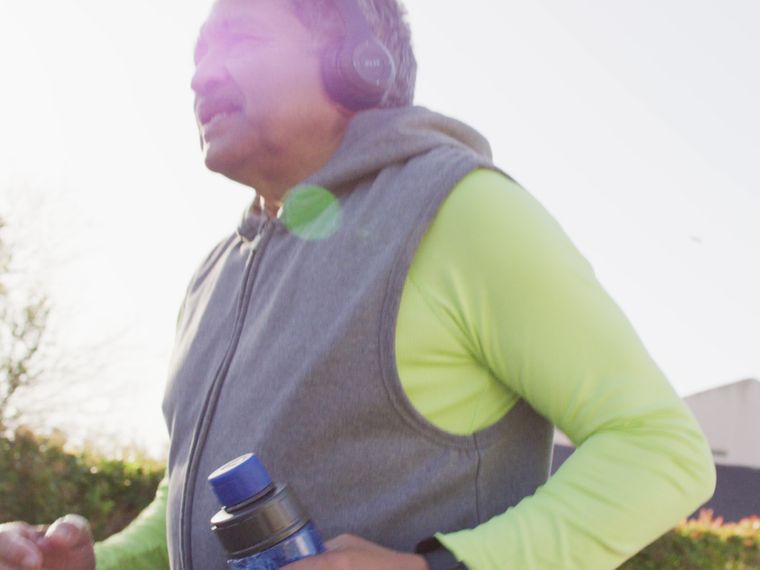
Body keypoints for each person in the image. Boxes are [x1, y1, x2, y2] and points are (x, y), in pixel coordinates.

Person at [0, 0, 716, 568]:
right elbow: (193, 493)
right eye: (196, 55)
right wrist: (107, 564)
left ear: (355, 63)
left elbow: (659, 447)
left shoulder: (462, 209)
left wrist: (441, 569)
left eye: (239, 40)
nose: (199, 75)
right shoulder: (210, 279)